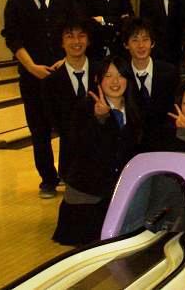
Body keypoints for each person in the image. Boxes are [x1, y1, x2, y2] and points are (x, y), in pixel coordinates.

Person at [1, 0, 76, 198]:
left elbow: (75, 32)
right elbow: (13, 39)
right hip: (32, 77)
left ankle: (68, 174)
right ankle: (47, 179)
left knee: (68, 128)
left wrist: (66, 60)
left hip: (64, 73)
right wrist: (31, 66)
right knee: (39, 130)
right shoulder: (15, 3)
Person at [52, 56, 143, 246]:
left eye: (120, 75)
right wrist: (100, 120)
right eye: (108, 76)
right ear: (98, 80)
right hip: (88, 194)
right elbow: (81, 148)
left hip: (117, 193)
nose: (115, 81)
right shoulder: (85, 108)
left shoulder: (136, 109)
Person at [44, 17, 94, 183]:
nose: (76, 41)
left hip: (104, 158)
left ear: (88, 40)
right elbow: (55, 122)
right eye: (69, 36)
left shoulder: (103, 73)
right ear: (62, 42)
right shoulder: (51, 82)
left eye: (81, 36)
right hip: (70, 162)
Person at [123, 18, 178, 151]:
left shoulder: (169, 72)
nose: (141, 45)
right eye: (135, 40)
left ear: (152, 43)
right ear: (126, 45)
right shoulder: (122, 75)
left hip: (164, 146)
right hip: (130, 148)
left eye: (145, 39)